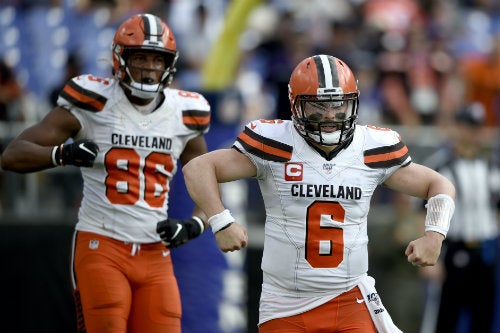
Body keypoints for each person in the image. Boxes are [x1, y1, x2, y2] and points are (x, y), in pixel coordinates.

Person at [181, 54, 456, 333]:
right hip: (285, 302)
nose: (329, 116)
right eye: (318, 106)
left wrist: (434, 235)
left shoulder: (372, 146)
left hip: (350, 297)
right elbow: (198, 168)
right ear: (295, 105)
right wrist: (221, 221)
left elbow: (440, 185)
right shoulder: (275, 143)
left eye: (338, 105)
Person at [1, 13, 211, 333]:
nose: (149, 68)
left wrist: (195, 224)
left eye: (157, 60)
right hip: (102, 246)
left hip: (155, 253)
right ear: (119, 58)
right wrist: (62, 153)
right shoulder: (94, 101)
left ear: (170, 64)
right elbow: (12, 155)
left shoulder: (186, 112)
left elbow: (207, 182)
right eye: (140, 57)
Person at [419, 102, 500, 333]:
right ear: (456, 128)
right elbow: (421, 210)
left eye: (475, 127)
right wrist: (429, 253)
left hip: (486, 251)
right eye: (466, 126)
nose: (471, 133)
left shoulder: (492, 166)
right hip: (453, 250)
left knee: (484, 317)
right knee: (445, 317)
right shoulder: (441, 166)